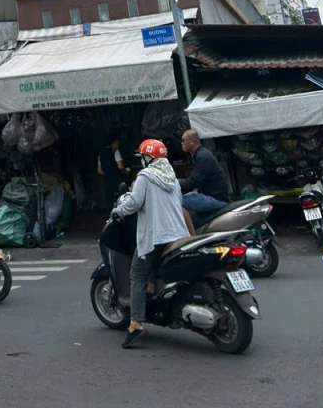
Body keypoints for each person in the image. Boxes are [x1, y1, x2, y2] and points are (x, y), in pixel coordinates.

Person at [112, 139, 190, 349]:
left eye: (143, 157)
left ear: (148, 158)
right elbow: (179, 203)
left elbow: (135, 202)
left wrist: (118, 211)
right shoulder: (172, 178)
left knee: (137, 275)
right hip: (178, 234)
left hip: (156, 235)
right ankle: (153, 285)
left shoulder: (145, 176)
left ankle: (136, 323)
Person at [179, 129, 229, 215]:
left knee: (177, 201)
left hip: (216, 199)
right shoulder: (200, 154)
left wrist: (177, 189)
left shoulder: (202, 156)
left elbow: (194, 181)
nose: (182, 143)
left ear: (192, 142)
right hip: (209, 195)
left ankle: (189, 225)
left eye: (183, 140)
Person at [97, 136, 126, 208]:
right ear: (112, 144)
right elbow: (120, 167)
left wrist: (107, 173)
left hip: (107, 181)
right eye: (117, 143)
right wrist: (125, 171)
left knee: (110, 201)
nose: (118, 145)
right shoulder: (116, 152)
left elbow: (99, 171)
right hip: (117, 180)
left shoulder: (101, 154)